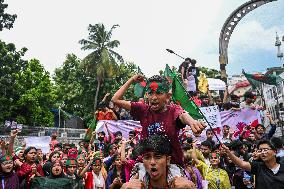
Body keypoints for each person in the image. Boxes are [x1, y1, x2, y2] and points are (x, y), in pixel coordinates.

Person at [112, 74, 205, 166]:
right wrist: (131, 79)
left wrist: (193, 123)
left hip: (171, 164)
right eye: (150, 93)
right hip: (146, 164)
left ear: (168, 96)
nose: (154, 97)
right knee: (133, 181)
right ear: (146, 95)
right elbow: (115, 99)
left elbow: (183, 115)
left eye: (159, 93)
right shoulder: (142, 110)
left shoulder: (173, 110)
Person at [122, 134, 196, 189]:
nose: (152, 162)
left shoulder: (182, 185)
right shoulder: (135, 185)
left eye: (158, 157)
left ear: (167, 160)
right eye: (147, 157)